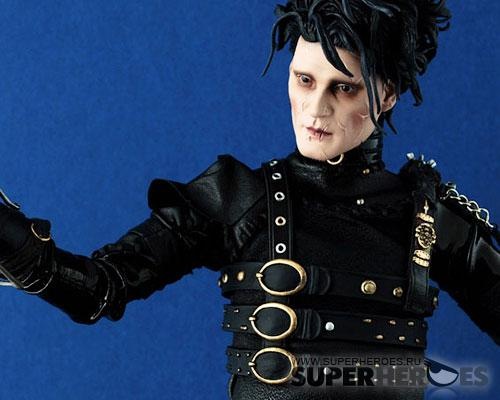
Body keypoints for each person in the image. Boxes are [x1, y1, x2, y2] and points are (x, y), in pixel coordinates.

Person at [0, 1, 498, 399]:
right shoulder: (237, 197)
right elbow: (99, 289)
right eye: (304, 80)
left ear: (386, 95)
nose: (316, 109)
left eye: (343, 88)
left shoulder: (428, 216)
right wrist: (13, 240)